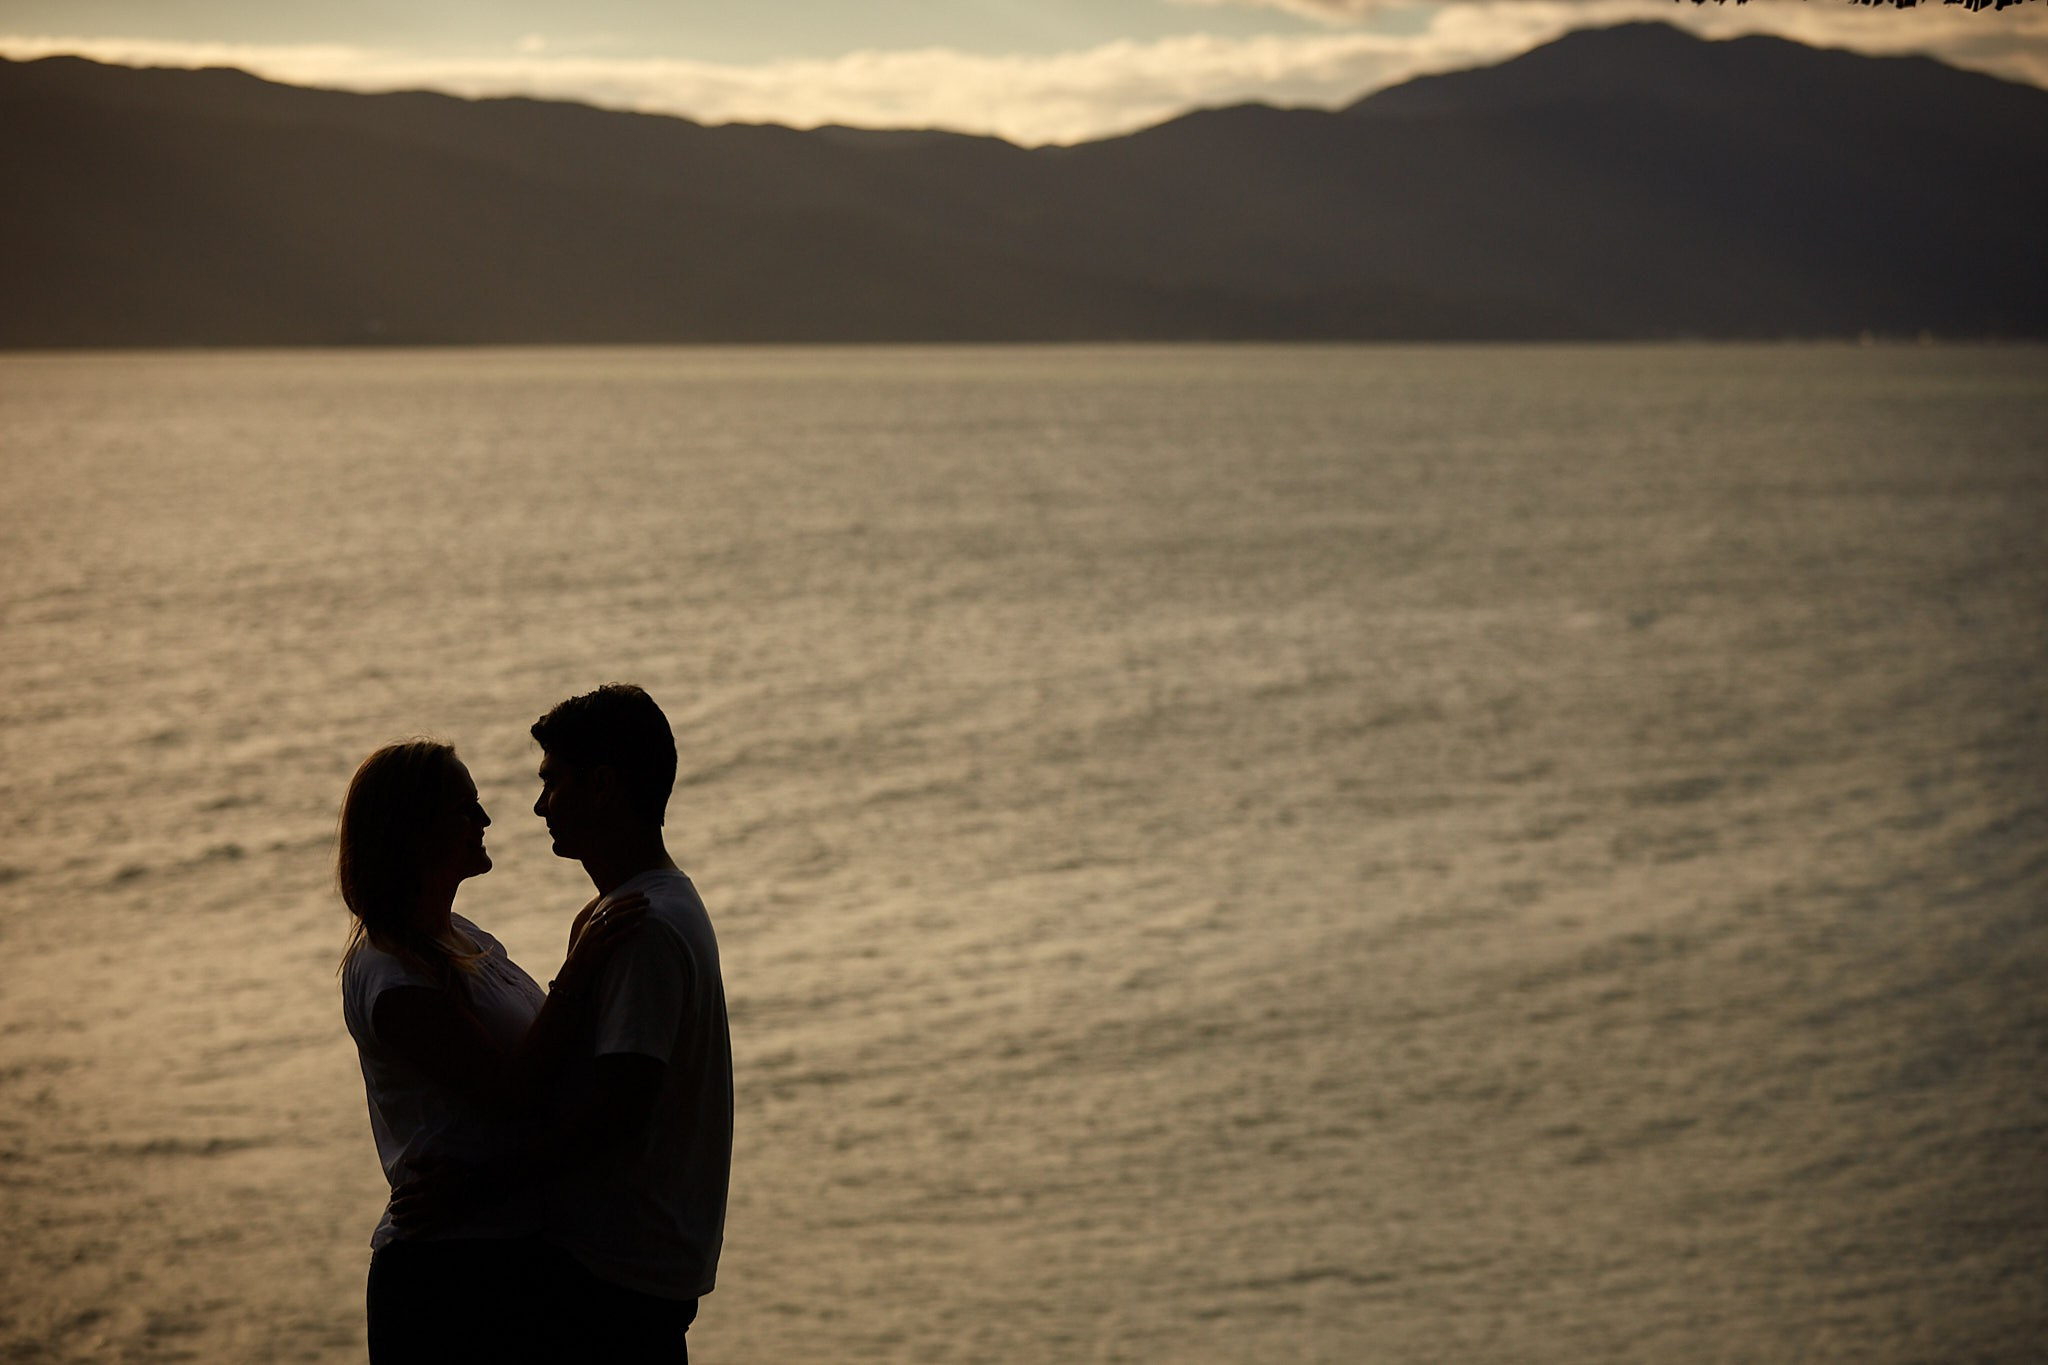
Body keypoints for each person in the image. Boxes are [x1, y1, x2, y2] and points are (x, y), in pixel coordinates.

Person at [336, 738, 643, 1364]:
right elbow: (512, 1093)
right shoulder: (393, 977)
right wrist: (580, 967)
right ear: (416, 832)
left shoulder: (457, 938)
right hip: (447, 1275)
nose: (485, 821)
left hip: (504, 1253)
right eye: (465, 808)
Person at [525, 683, 734, 1365]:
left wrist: (480, 1182)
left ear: (604, 786)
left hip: (616, 1285)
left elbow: (618, 1110)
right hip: (633, 1277)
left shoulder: (639, 927)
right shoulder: (653, 905)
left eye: (554, 782)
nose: (540, 804)